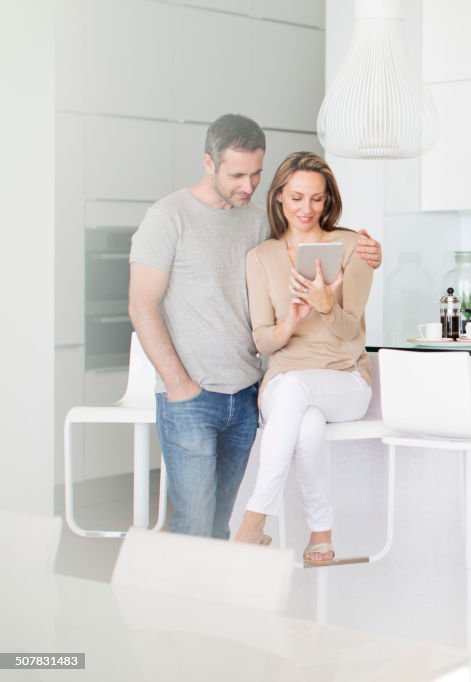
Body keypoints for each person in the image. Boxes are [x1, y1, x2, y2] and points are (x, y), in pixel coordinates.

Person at [128, 114, 382, 539]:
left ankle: (222, 598)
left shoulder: (255, 222)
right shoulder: (168, 217)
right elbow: (141, 305)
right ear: (208, 163)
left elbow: (306, 232)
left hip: (246, 394)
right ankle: (185, 597)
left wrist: (366, 250)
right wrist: (178, 384)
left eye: (256, 174)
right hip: (191, 396)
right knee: (193, 523)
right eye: (237, 175)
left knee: (216, 524)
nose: (248, 186)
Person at [234, 151, 372, 566]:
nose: (306, 209)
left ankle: (253, 522)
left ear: (328, 200)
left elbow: (352, 332)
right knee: (305, 421)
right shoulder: (261, 258)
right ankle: (321, 531)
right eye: (296, 198)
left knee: (299, 391)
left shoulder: (353, 248)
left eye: (316, 199)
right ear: (279, 198)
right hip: (283, 382)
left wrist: (328, 306)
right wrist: (291, 322)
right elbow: (263, 342)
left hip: (345, 380)